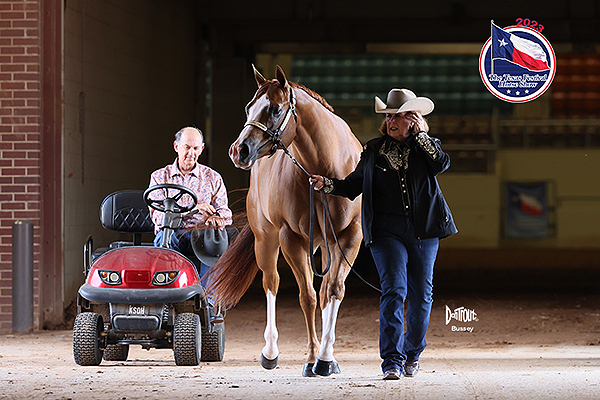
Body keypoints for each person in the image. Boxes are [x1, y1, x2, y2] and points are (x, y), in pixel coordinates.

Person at [310, 88, 457, 380]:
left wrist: (420, 136)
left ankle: (412, 352)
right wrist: (326, 184)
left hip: (424, 229)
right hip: (386, 231)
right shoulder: (374, 150)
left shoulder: (426, 147)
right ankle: (391, 360)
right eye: (389, 116)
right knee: (394, 291)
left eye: (399, 116)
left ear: (413, 120)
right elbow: (352, 186)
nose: (392, 121)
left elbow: (442, 163)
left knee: (421, 296)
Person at [148, 126, 233, 286]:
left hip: (201, 234)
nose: (191, 153)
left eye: (195, 148)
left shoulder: (213, 177)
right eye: (187, 147)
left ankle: (208, 301)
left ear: (201, 149)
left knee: (214, 245)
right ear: (176, 147)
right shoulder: (160, 177)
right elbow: (159, 218)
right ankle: (171, 293)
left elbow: (225, 212)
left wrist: (217, 218)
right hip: (173, 234)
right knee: (168, 240)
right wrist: (193, 210)